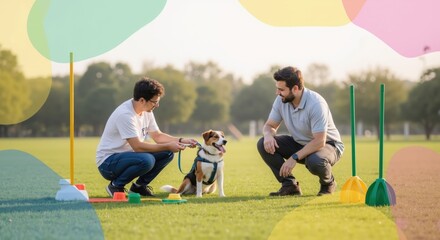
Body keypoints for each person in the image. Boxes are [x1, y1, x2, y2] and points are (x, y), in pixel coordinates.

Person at [96, 77, 197, 197]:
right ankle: (116, 186)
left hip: (129, 157)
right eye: (155, 102)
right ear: (142, 100)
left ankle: (139, 187)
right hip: (108, 163)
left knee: (167, 153)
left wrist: (181, 140)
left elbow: (157, 136)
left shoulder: (146, 110)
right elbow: (138, 146)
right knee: (147, 160)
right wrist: (169, 145)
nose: (157, 105)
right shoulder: (125, 115)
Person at [257, 66, 344, 196]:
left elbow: (320, 141)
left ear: (295, 89)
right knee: (263, 143)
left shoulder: (316, 103)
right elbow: (269, 126)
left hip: (328, 145)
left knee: (315, 161)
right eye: (277, 88)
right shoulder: (281, 100)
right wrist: (268, 135)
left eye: (281, 89)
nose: (277, 92)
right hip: (300, 143)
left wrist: (294, 157)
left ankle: (328, 183)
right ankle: (290, 185)